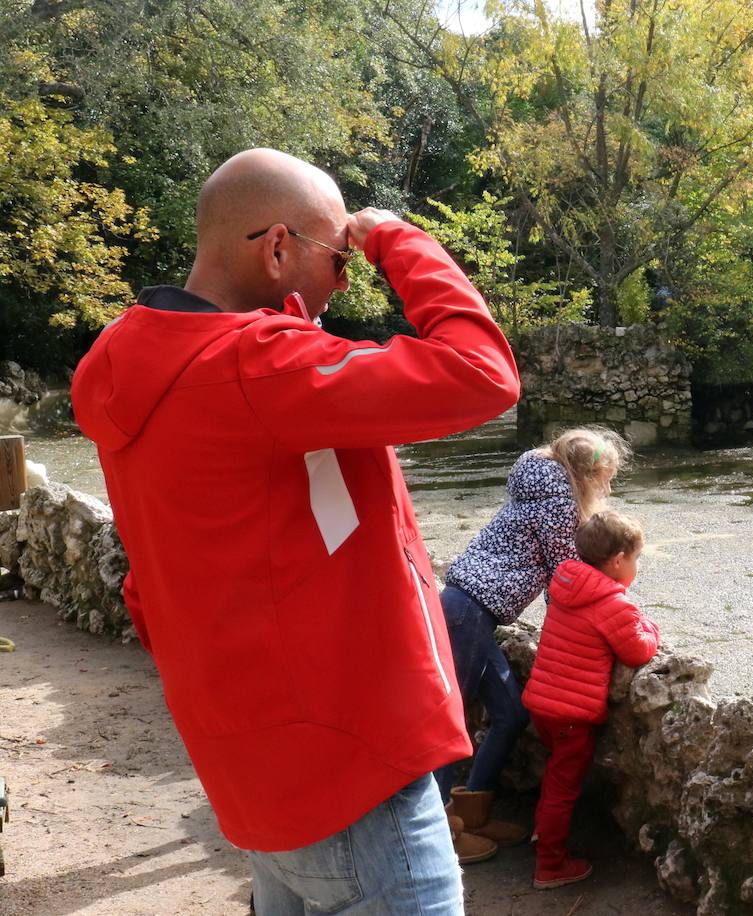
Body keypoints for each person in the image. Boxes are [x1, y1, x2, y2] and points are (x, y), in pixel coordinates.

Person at [71, 148, 521, 915]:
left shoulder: (130, 359)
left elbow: (152, 589)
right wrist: (396, 240)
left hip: (259, 772)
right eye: (339, 259)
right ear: (277, 249)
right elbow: (483, 374)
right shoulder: (259, 370)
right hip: (357, 774)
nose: (348, 279)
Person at [434, 428, 629, 854]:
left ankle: (473, 816)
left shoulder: (537, 485)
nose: (607, 488)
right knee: (452, 725)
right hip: (469, 612)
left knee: (511, 714)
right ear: (585, 474)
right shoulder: (558, 505)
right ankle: (441, 836)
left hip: (467, 609)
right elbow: (567, 574)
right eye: (605, 479)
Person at [521, 509, 660, 888]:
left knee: (554, 777)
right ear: (617, 561)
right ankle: (549, 865)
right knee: (562, 787)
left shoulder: (565, 585)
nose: (636, 566)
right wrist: (652, 626)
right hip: (571, 715)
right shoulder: (612, 603)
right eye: (635, 559)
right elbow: (638, 651)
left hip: (542, 705)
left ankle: (541, 831)